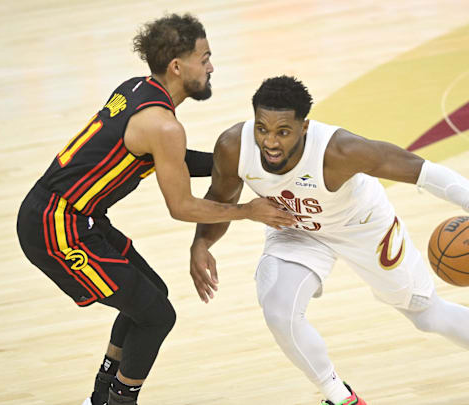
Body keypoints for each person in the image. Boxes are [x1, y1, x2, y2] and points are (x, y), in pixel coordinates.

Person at [189, 75, 469, 405]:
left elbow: (422, 170)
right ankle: (338, 396)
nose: (270, 141)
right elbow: (220, 199)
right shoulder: (234, 146)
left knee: (425, 314)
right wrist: (201, 243)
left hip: (363, 226)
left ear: (304, 127)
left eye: (283, 132)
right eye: (262, 129)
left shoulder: (340, 151)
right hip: (296, 229)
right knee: (278, 310)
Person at [16, 15, 294, 405]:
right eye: (205, 57)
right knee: (157, 315)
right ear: (177, 67)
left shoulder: (137, 89)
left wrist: (243, 162)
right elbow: (181, 207)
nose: (212, 66)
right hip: (56, 227)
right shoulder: (163, 126)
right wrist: (248, 211)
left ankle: (100, 399)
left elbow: (176, 159)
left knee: (149, 298)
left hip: (78, 215)